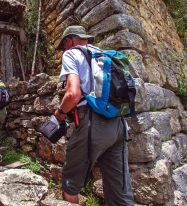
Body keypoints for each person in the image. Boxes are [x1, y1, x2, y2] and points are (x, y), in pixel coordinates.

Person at [54, 26, 134, 205]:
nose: (65, 49)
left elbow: (73, 95)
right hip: (119, 125)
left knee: (70, 183)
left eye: (64, 45)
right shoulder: (106, 55)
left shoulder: (71, 54)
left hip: (93, 125)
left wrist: (59, 113)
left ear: (69, 40)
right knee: (120, 191)